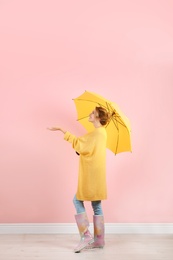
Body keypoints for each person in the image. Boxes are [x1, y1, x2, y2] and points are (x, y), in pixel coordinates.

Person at [48, 106, 111, 253]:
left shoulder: (97, 133)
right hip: (98, 175)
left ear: (98, 118)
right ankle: (99, 240)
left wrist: (62, 130)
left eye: (93, 113)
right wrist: (81, 149)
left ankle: (86, 235)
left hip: (91, 174)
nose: (90, 114)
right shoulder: (102, 133)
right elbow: (87, 149)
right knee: (96, 205)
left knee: (77, 200)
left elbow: (80, 144)